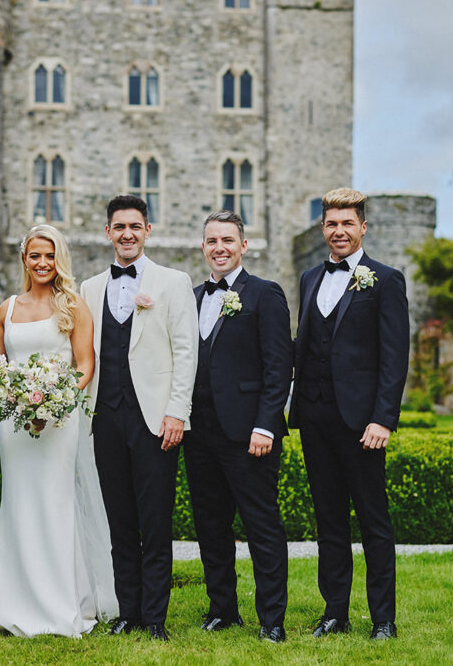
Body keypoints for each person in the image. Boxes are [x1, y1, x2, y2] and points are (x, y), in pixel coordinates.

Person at [291, 187, 409, 642]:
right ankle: (334, 611)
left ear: (363, 227)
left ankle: (383, 619)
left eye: (347, 223)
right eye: (331, 223)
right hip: (316, 420)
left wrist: (383, 418)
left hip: (363, 424)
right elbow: (307, 345)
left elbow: (394, 357)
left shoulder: (386, 279)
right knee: (329, 521)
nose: (339, 231)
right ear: (322, 228)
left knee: (374, 522)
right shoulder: (308, 279)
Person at [80, 195, 198, 641]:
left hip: (155, 421)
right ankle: (127, 610)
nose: (126, 233)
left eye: (135, 226)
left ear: (148, 230)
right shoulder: (91, 288)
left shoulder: (173, 281)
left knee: (155, 521)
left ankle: (155, 618)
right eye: (118, 226)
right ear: (108, 233)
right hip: (106, 419)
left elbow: (187, 352)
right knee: (120, 522)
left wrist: (177, 413)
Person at [0, 224, 117, 637]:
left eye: (49, 256)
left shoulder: (74, 306)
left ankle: (62, 604)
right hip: (15, 424)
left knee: (56, 504)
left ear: (58, 258)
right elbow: (0, 367)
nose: (42, 263)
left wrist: (55, 400)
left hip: (59, 422)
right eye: (34, 256)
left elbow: (84, 365)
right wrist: (18, 400)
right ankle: (16, 604)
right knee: (19, 506)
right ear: (24, 259)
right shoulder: (6, 310)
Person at [185, 209, 292, 642]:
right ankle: (222, 609)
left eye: (228, 240)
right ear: (204, 247)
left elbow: (278, 366)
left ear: (243, 245)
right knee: (210, 526)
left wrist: (266, 425)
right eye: (212, 241)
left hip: (250, 435)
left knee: (262, 526)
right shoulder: (191, 297)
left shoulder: (265, 294)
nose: (220, 248)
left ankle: (272, 620)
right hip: (200, 435)